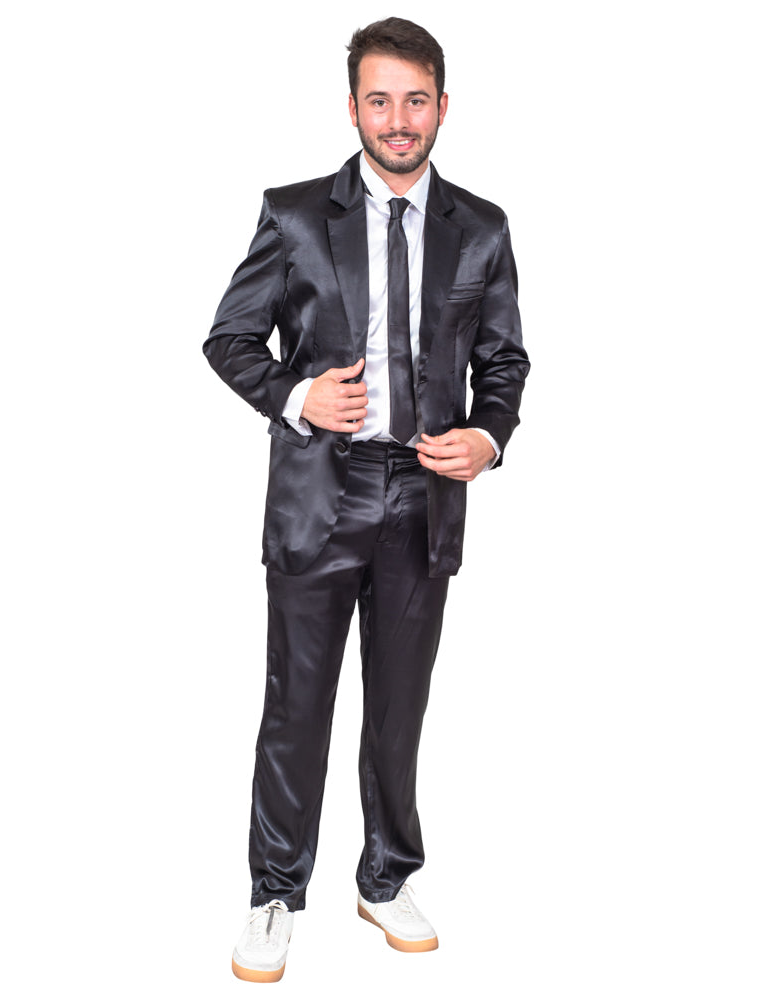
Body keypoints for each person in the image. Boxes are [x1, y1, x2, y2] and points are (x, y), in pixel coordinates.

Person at [203, 17, 529, 983]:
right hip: (320, 492)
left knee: (398, 707)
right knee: (296, 707)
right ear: (352, 108)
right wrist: (296, 395)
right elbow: (229, 339)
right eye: (379, 100)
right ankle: (274, 892)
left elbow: (504, 361)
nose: (398, 120)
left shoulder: (482, 227)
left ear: (443, 107)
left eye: (415, 100)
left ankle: (386, 877)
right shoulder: (297, 214)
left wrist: (488, 437)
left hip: (424, 496)